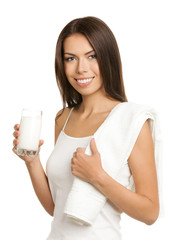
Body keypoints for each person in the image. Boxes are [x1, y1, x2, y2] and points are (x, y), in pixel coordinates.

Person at [13, 16, 160, 240]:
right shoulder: (63, 118)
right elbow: (57, 209)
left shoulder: (131, 121)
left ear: (108, 58)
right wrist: (32, 161)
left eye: (92, 56)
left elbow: (150, 213)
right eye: (70, 58)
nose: (81, 68)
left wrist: (97, 176)